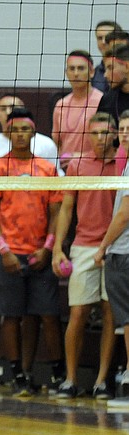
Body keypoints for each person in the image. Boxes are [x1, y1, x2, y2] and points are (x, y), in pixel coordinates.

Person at [0, 109, 64, 398]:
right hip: (8, 253)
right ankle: (17, 374)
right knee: (11, 316)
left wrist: (48, 247)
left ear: (33, 133)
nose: (19, 134)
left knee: (46, 315)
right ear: (8, 133)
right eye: (14, 129)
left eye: (24, 130)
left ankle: (57, 374)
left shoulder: (47, 169)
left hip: (39, 253)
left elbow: (56, 212)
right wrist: (4, 250)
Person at [51, 112, 119, 399]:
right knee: (78, 312)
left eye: (106, 133)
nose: (101, 139)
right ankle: (70, 378)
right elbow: (66, 208)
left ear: (115, 133)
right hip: (84, 246)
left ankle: (102, 380)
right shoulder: (77, 165)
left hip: (117, 247)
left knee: (110, 314)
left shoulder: (124, 163)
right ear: (88, 135)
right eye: (96, 133)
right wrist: (57, 248)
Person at [96, 115, 129, 403]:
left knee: (127, 318)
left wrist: (103, 246)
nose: (126, 134)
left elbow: (124, 213)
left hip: (124, 252)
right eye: (123, 129)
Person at [52, 50, 103, 169]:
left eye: (81, 68)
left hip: (96, 169)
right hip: (66, 171)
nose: (76, 73)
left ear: (91, 72)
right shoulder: (61, 105)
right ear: (66, 73)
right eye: (72, 69)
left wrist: (81, 157)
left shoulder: (102, 101)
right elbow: (57, 143)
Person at [91, 20, 122, 93]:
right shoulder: (94, 74)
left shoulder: (126, 71)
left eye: (108, 37)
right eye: (100, 38)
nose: (103, 42)